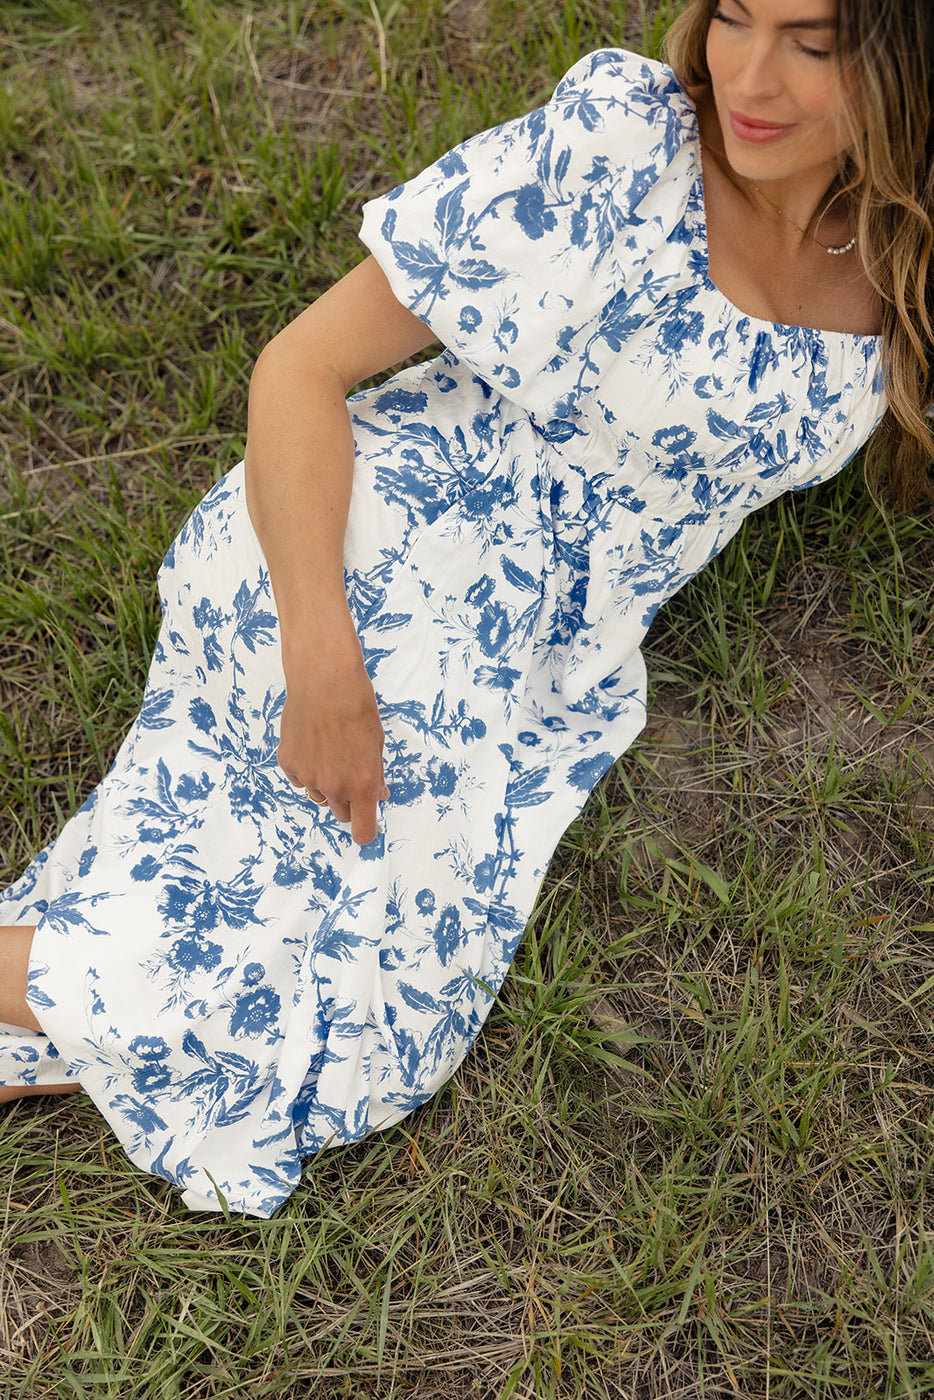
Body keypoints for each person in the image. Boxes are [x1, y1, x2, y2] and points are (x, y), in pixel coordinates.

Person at [0, 0, 931, 1216]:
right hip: (374, 542)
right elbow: (299, 365)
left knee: (395, 999)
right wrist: (323, 658)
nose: (750, 76)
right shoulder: (620, 150)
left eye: (813, 44)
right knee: (336, 954)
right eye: (736, 18)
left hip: (543, 649)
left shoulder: (896, 242)